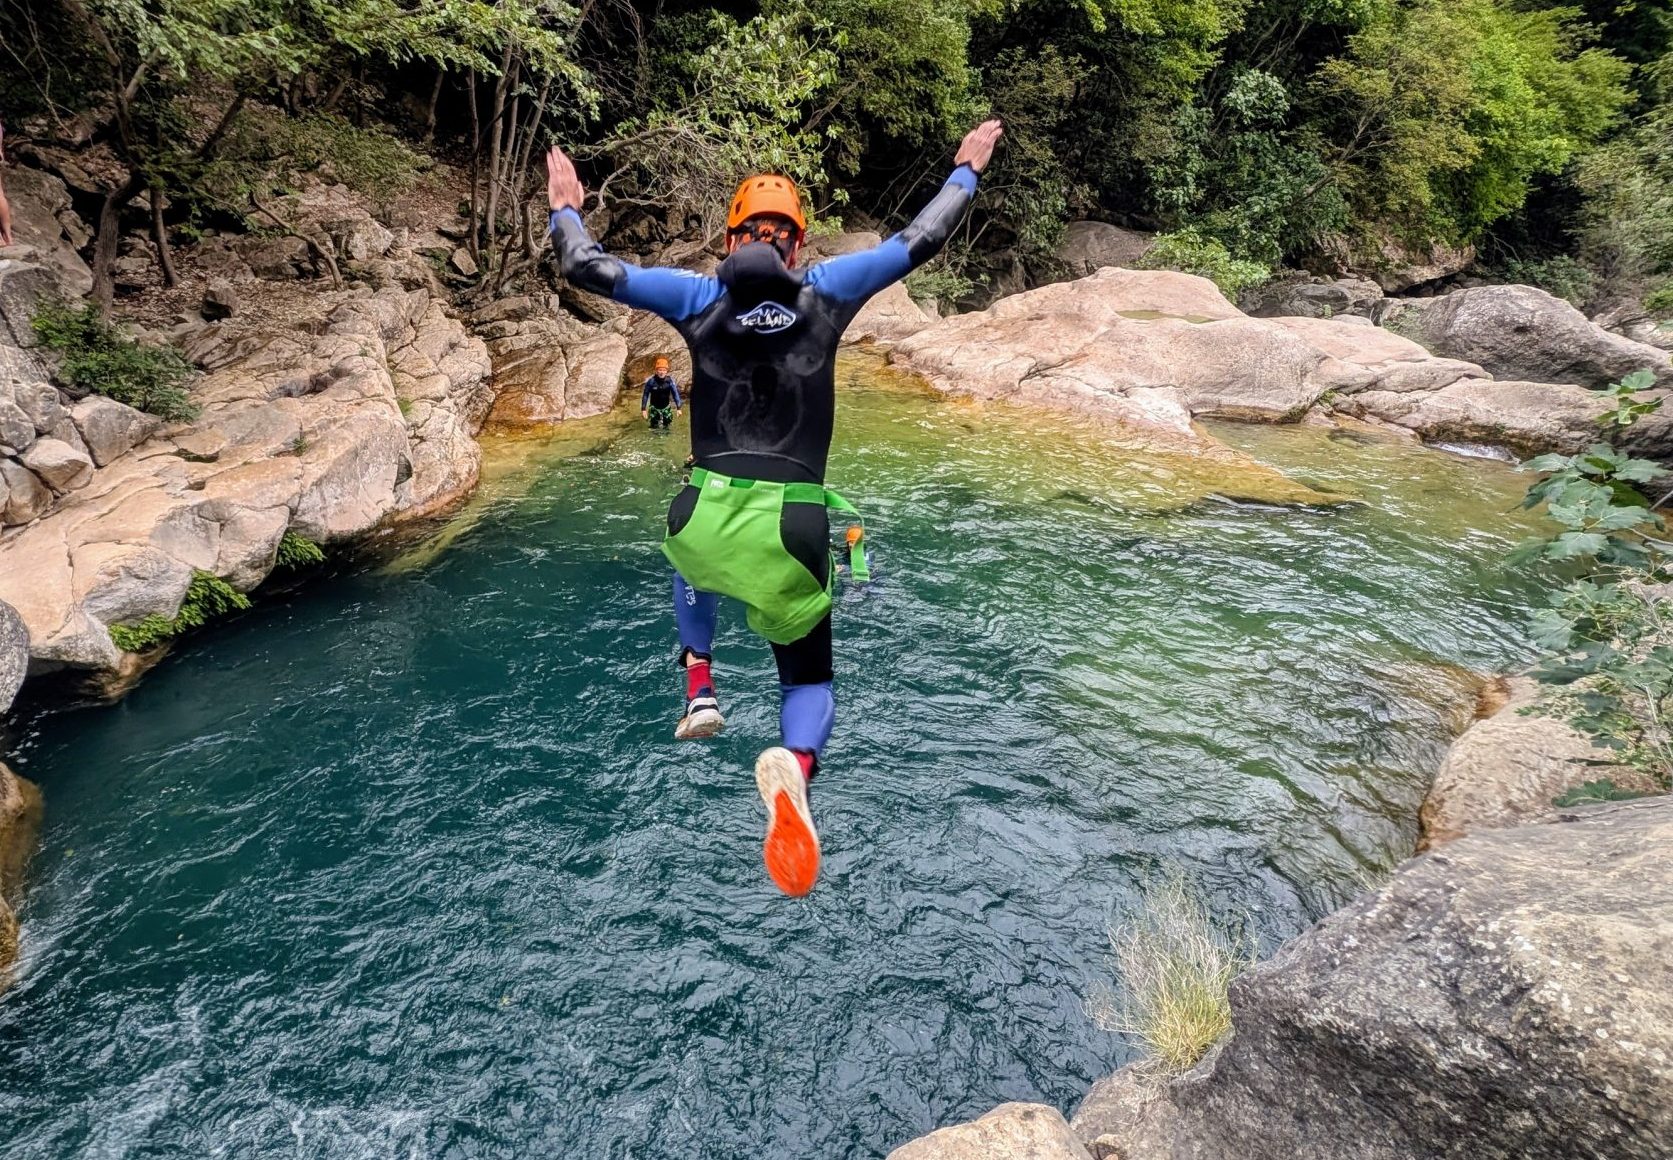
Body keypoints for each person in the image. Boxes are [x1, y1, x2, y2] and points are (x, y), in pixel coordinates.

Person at [546, 119, 1002, 896]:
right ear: (795, 244)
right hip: (792, 526)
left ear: (729, 241)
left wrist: (566, 206)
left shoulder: (695, 295)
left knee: (686, 555)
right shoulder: (827, 290)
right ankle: (796, 766)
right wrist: (964, 171)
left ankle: (699, 687)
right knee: (807, 683)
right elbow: (918, 241)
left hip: (703, 511)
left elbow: (585, 266)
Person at [641, 356, 684, 429]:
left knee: (667, 427)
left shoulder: (669, 381)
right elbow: (645, 395)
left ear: (666, 371)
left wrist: (679, 408)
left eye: (664, 370)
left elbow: (675, 394)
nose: (662, 372)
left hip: (666, 408)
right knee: (653, 427)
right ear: (656, 370)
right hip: (654, 408)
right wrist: (643, 409)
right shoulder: (651, 382)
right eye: (660, 370)